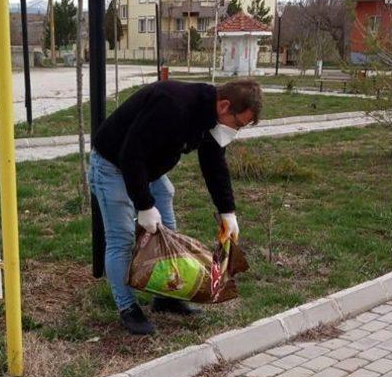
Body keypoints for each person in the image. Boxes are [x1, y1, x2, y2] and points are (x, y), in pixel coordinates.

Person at [89, 77, 262, 335]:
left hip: (147, 166)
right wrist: (144, 205)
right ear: (225, 106)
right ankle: (127, 307)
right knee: (121, 239)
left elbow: (214, 165)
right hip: (113, 164)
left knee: (167, 228)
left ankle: (166, 296)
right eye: (238, 124)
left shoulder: (209, 118)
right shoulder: (172, 106)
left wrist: (227, 212)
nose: (236, 131)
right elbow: (131, 154)